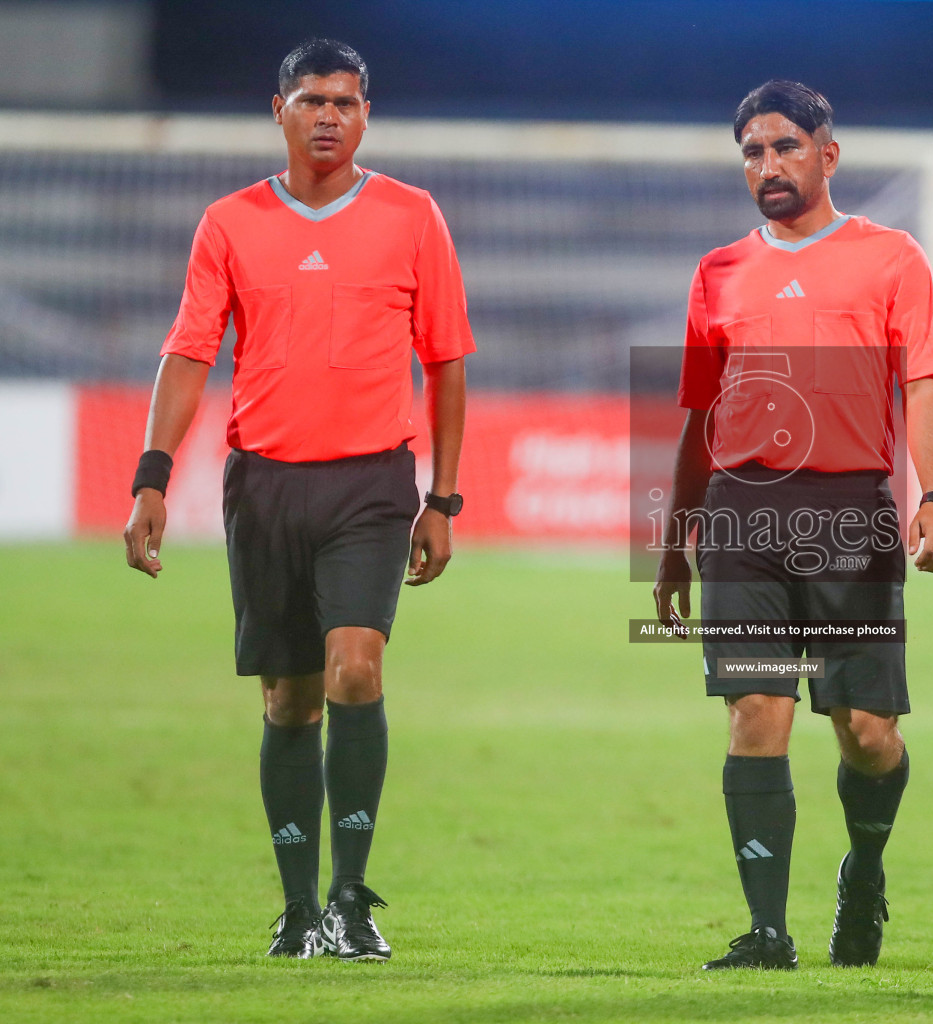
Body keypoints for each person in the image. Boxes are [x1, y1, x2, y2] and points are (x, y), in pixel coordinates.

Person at [122, 38, 473, 962]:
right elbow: (190, 355)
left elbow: (445, 363)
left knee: (358, 669)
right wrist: (152, 475)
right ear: (275, 108)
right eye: (312, 99)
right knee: (289, 702)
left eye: (347, 102)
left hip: (371, 482)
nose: (329, 115)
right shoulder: (229, 223)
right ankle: (296, 907)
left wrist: (445, 496)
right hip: (265, 485)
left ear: (367, 116)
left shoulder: (412, 216)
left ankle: (352, 903)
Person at [653, 80, 933, 971]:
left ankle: (863, 868)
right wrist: (673, 547)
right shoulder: (717, 272)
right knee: (757, 712)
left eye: (784, 147)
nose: (768, 166)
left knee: (868, 734)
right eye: (752, 151)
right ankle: (767, 933)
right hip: (742, 519)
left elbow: (922, 387)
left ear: (828, 153)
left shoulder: (892, 257)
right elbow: (698, 420)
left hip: (851, 517)